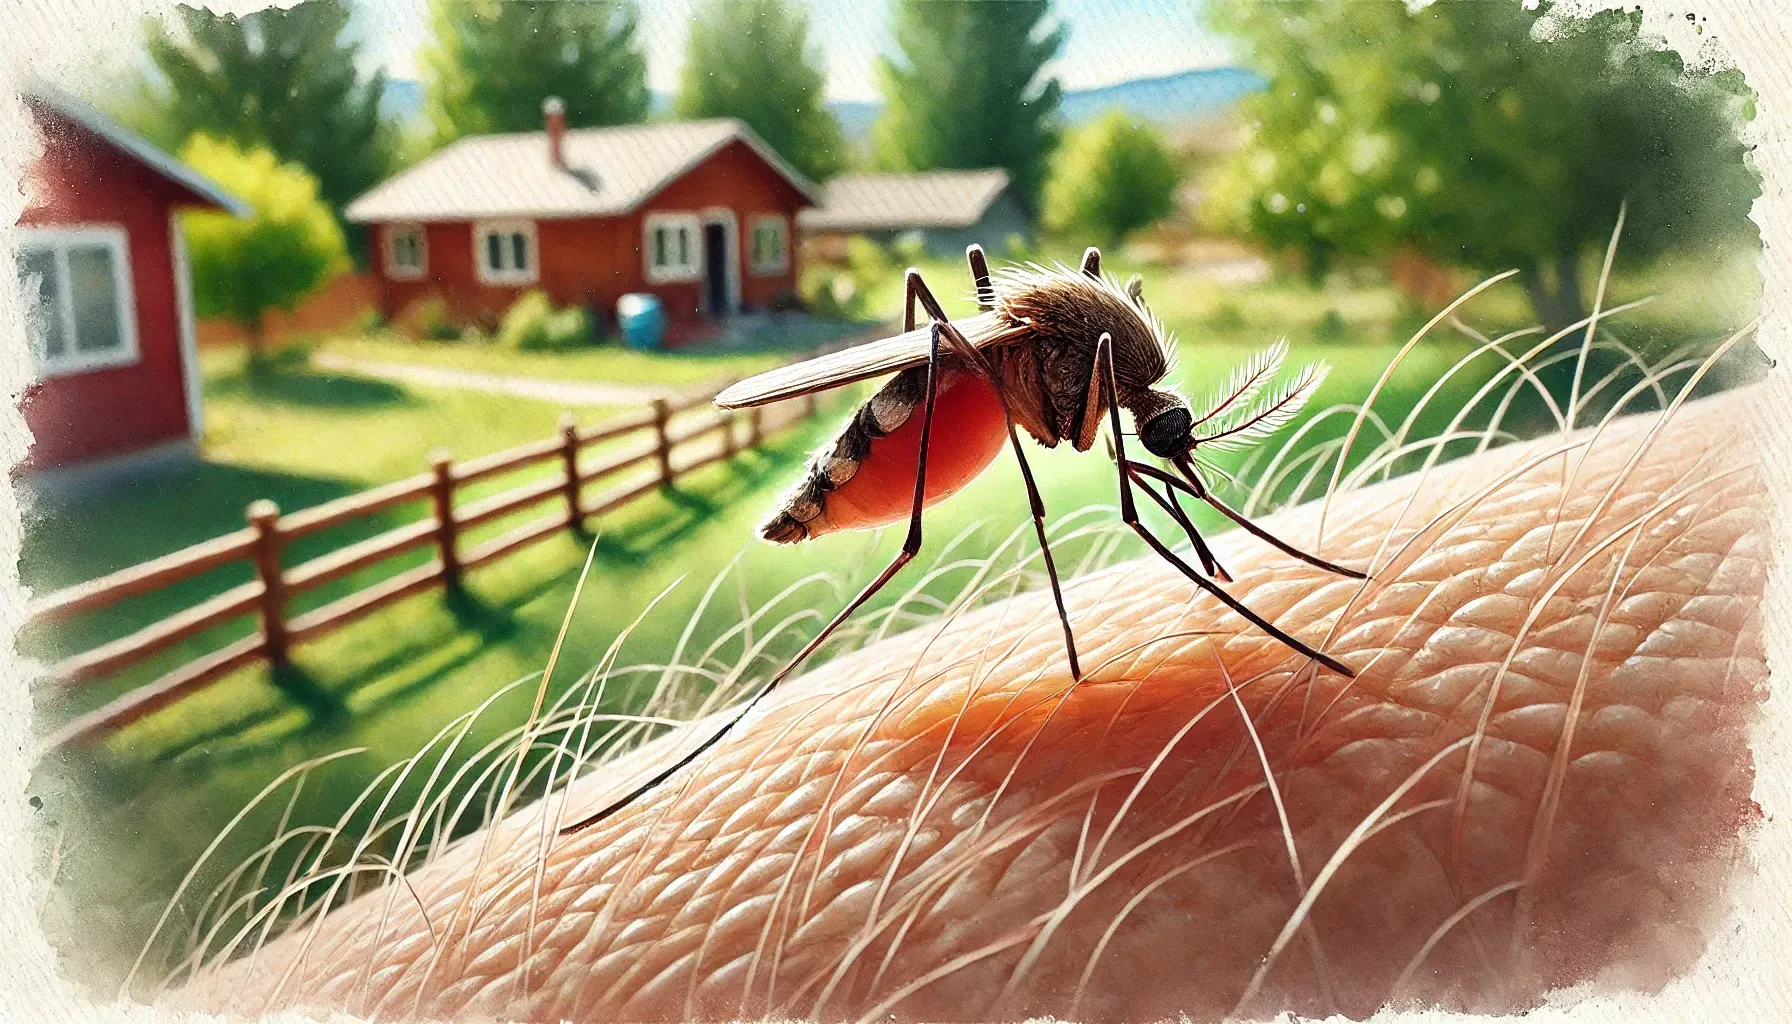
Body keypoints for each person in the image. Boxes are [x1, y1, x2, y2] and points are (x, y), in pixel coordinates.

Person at [175, 386, 1769, 1022]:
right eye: (1161, 424)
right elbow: (1136, 493)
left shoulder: (1108, 376)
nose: (1162, 449)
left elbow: (1140, 476)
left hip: (972, 390)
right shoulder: (1082, 370)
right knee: (1029, 491)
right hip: (927, 413)